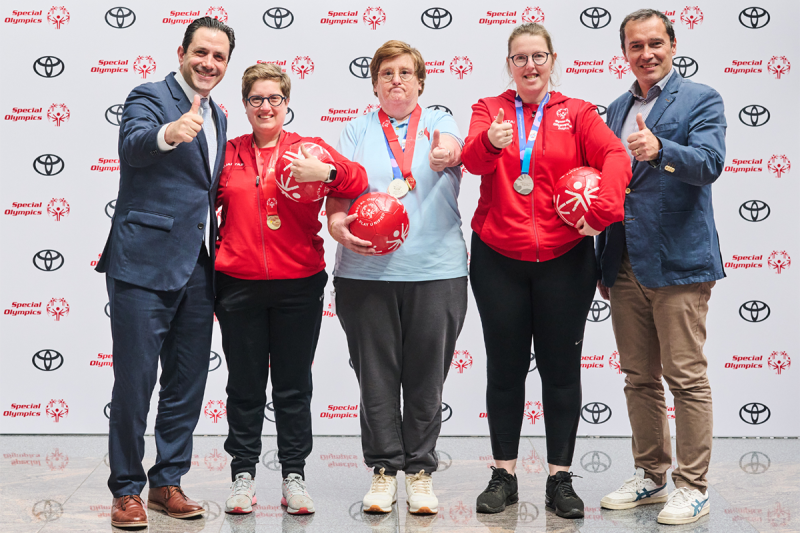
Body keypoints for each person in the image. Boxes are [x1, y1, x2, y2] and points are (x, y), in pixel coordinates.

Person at [462, 23, 631, 519]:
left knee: (561, 371)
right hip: (498, 258)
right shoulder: (489, 109)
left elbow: (615, 155)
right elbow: (472, 162)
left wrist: (603, 211)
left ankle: (560, 479)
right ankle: (504, 475)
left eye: (538, 56)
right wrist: (490, 143)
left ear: (553, 60)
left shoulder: (577, 113)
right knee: (505, 369)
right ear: (509, 64)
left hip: (565, 259)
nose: (530, 65)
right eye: (520, 57)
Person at [95, 16, 234, 528]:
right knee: (134, 383)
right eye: (201, 52)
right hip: (142, 263)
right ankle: (126, 490)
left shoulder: (219, 114)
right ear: (181, 52)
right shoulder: (149, 96)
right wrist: (169, 134)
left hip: (198, 266)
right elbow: (133, 145)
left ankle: (167, 482)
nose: (209, 63)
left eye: (219, 57)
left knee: (186, 382)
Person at [214, 63, 367, 516]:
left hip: (298, 284)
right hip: (237, 284)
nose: (266, 107)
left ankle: (294, 476)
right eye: (257, 99)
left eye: (274, 98)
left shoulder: (308, 149)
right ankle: (243, 475)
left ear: (286, 103)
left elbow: (357, 179)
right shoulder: (227, 153)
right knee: (244, 385)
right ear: (245, 104)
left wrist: (326, 172)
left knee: (293, 386)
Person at [325, 40, 467, 516]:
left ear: (421, 82)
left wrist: (445, 153)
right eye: (386, 73)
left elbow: (452, 149)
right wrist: (336, 223)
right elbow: (339, 189)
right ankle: (385, 469)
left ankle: (421, 471)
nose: (396, 80)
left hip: (436, 271)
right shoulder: (354, 129)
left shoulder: (440, 122)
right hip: (365, 274)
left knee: (427, 377)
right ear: (375, 84)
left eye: (406, 72)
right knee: (376, 377)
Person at [597, 9, 726, 525]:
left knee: (685, 378)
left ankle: (692, 486)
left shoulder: (701, 98)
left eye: (655, 43)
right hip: (624, 261)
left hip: (678, 261)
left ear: (673, 45)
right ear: (624, 53)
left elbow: (709, 164)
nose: (646, 53)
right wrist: (603, 263)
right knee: (638, 378)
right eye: (636, 46)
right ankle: (651, 476)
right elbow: (610, 185)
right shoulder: (615, 108)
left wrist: (660, 150)